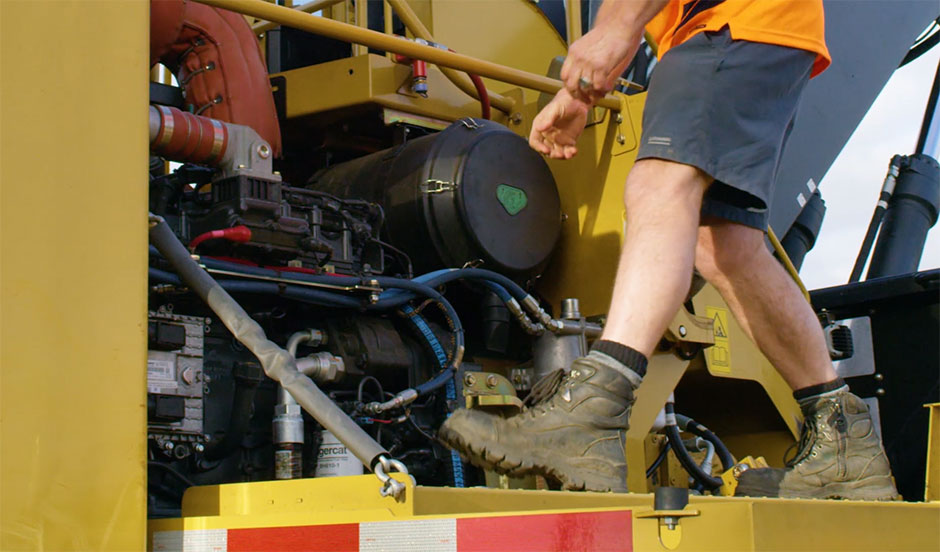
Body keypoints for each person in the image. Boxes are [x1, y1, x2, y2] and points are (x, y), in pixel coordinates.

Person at [440, 0, 898, 500]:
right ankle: (844, 445)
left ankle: (595, 407)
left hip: (729, 25)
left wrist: (614, 31)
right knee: (724, 244)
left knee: (658, 186)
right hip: (756, 31)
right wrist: (580, 93)